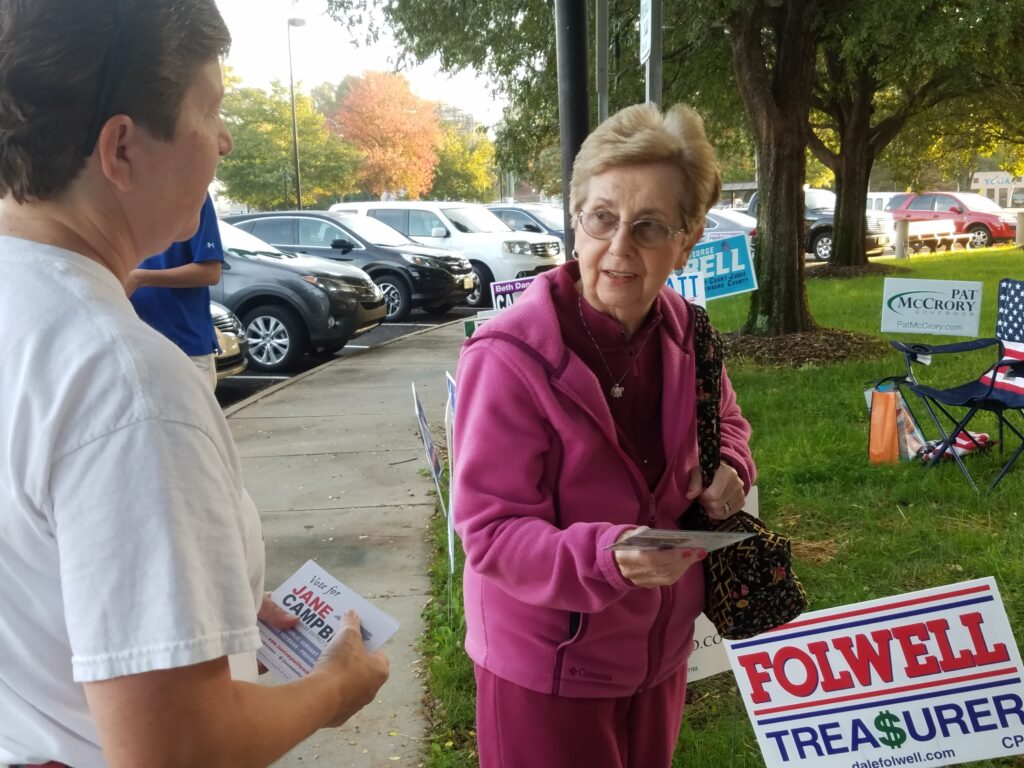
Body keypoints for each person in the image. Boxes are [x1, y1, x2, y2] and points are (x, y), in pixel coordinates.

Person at [0, 2, 388, 766]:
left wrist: (203, 609)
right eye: (209, 110)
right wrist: (332, 688)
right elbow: (177, 750)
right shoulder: (125, 384)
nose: (223, 138)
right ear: (121, 149)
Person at [452, 102, 754, 768]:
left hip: (658, 659)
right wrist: (608, 557)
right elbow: (488, 532)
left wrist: (730, 464)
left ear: (689, 238)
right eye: (602, 219)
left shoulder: (691, 332)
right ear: (576, 221)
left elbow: (728, 426)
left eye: (648, 227)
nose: (619, 248)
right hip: (546, 669)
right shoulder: (508, 357)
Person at [128, 193, 224, 390]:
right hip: (133, 348)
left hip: (185, 348)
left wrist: (140, 278)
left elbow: (210, 273)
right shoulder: (111, 196)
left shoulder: (190, 190)